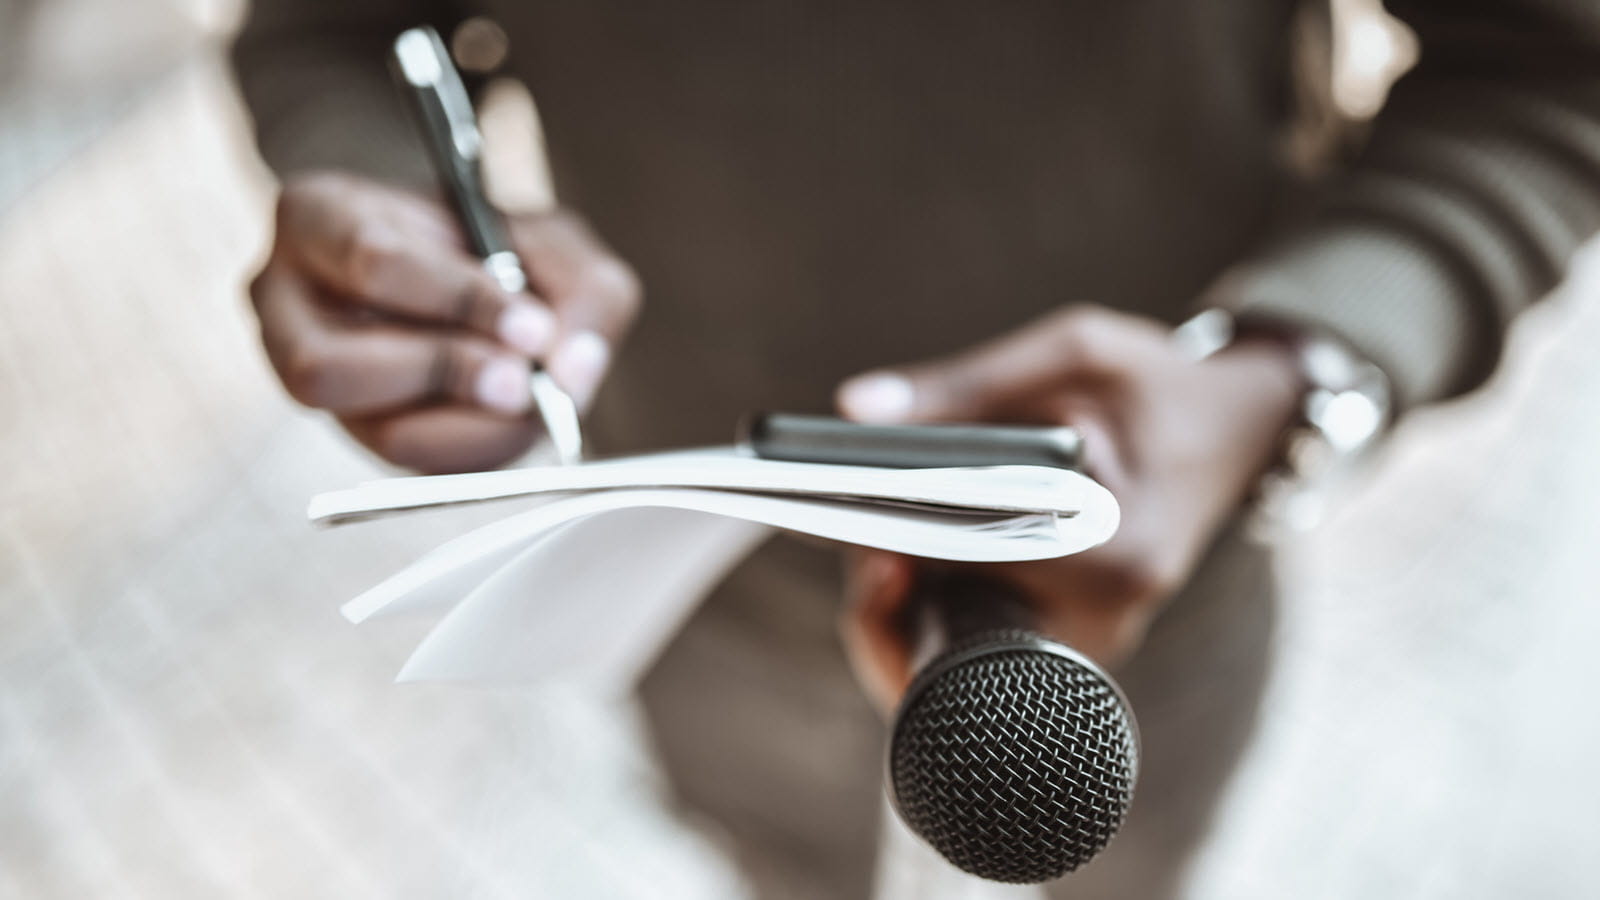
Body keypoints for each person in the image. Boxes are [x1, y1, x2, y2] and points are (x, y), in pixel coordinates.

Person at [232, 3, 1600, 897]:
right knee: (778, 864)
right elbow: (331, 33)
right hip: (704, 604)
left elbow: (1554, 71)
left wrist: (1294, 367)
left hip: (1124, 634)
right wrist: (403, 239)